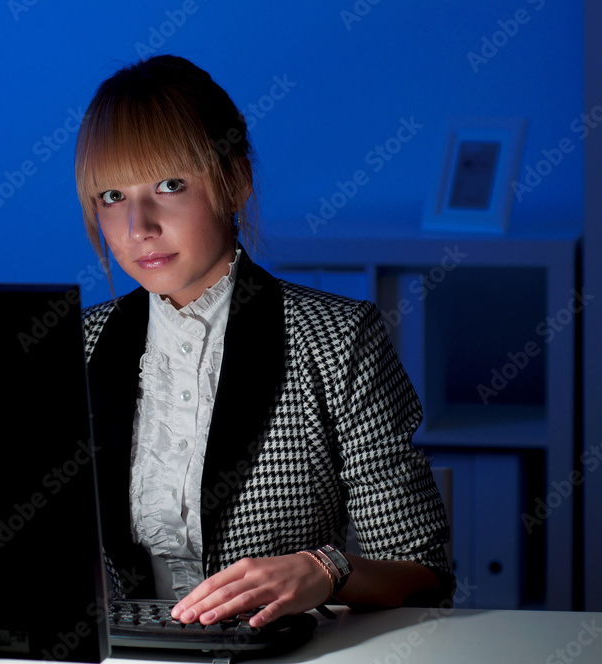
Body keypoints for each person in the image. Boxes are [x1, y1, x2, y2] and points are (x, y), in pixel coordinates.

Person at [74, 54, 454, 629]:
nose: (138, 227)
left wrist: (326, 570)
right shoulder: (79, 344)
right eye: (112, 197)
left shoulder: (336, 338)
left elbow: (424, 573)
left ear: (236, 182)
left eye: (170, 185)